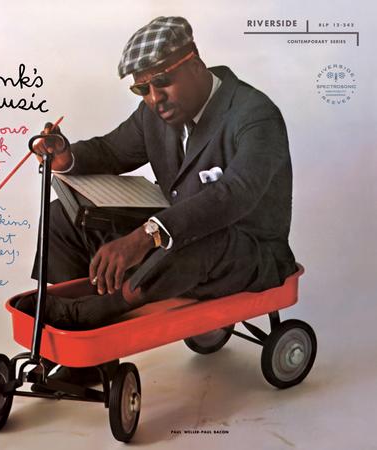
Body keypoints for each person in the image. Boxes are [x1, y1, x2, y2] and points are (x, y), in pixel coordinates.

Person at [19, 15, 297, 333]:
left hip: (249, 253)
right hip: (178, 237)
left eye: (163, 81)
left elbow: (234, 194)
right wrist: (66, 157)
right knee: (61, 216)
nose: (153, 98)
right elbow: (111, 151)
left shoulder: (255, 115)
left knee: (187, 236)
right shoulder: (153, 114)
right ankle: (71, 309)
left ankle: (100, 310)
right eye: (142, 88)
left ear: (196, 66)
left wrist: (145, 236)